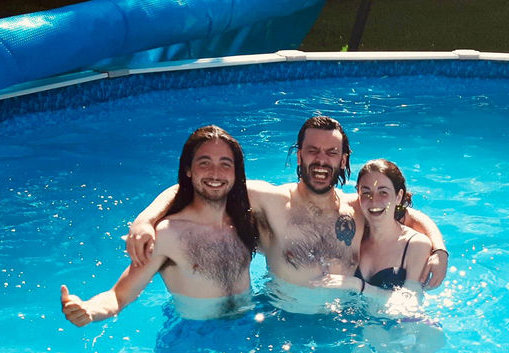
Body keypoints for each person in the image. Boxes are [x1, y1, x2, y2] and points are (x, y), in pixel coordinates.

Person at [125, 116, 449, 290]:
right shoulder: (271, 200)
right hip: (282, 323)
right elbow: (203, 184)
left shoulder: (359, 206)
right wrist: (144, 221)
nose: (321, 160)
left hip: (342, 322)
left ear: (343, 160)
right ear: (299, 154)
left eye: (331, 153)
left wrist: (438, 250)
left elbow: (407, 214)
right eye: (313, 151)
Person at [61, 125, 258, 326]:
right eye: (204, 162)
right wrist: (90, 310)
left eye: (225, 164)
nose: (215, 173)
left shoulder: (246, 221)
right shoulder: (168, 234)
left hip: (249, 323)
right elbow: (119, 295)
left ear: (236, 173)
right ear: (188, 170)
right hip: (196, 338)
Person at [311, 159, 432, 299]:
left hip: (402, 321)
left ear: (398, 197)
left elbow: (410, 303)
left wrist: (359, 286)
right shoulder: (353, 237)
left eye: (383, 193)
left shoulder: (416, 245)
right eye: (366, 192)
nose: (374, 200)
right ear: (358, 195)